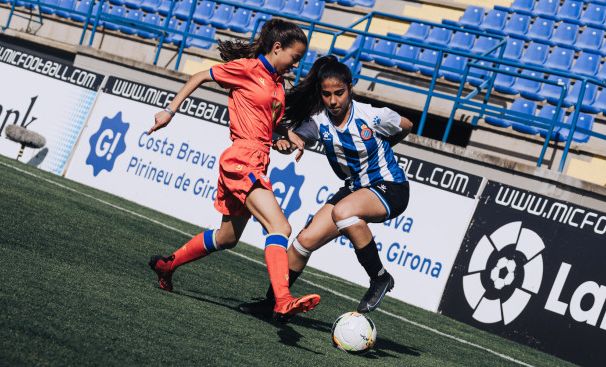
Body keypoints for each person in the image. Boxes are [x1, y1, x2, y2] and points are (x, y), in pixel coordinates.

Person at [148, 19, 321, 321]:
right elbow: (201, 76)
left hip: (257, 157)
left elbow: (267, 119)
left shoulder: (278, 84)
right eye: (295, 58)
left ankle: (167, 265)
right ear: (277, 48)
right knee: (280, 228)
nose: (296, 65)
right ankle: (282, 300)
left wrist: (284, 136)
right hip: (241, 158)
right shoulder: (247, 68)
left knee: (227, 238)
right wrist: (170, 111)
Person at [238, 55, 413, 318]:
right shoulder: (319, 120)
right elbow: (299, 139)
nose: (333, 101)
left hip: (391, 186)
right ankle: (273, 304)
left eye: (339, 93)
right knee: (303, 241)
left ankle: (379, 278)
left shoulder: (372, 115)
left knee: (343, 212)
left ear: (351, 88)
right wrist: (284, 143)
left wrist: (387, 146)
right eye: (327, 94)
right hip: (355, 188)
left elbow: (406, 125)